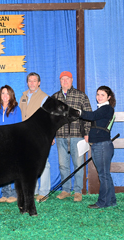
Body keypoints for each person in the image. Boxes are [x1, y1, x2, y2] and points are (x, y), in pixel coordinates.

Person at [51, 71, 92, 202]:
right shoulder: (55, 97)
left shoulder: (81, 96)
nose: (65, 81)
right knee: (63, 165)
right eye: (62, 79)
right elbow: (51, 118)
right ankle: (66, 190)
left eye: (67, 79)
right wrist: (51, 134)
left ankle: (78, 191)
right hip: (60, 136)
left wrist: (86, 133)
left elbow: (88, 115)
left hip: (77, 135)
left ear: (72, 80)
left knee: (78, 163)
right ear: (60, 81)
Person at [79, 86, 116, 208]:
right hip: (100, 145)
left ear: (108, 97)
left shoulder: (106, 108)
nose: (99, 97)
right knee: (105, 174)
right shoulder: (103, 109)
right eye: (98, 94)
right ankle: (110, 201)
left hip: (102, 146)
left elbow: (92, 116)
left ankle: (103, 202)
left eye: (102, 95)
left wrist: (77, 112)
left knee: (103, 175)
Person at [19, 72, 51, 202]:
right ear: (27, 83)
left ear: (39, 83)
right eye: (30, 81)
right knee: (29, 163)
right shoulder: (23, 96)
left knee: (44, 163)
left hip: (39, 134)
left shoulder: (45, 97)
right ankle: (34, 190)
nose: (32, 83)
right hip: (25, 134)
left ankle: (44, 192)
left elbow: (49, 118)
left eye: (34, 81)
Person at [0, 85, 22, 203]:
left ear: (11, 96)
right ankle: (5, 193)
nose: (5, 96)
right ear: (0, 95)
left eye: (7, 93)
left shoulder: (16, 109)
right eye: (3, 93)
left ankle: (14, 193)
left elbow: (19, 127)